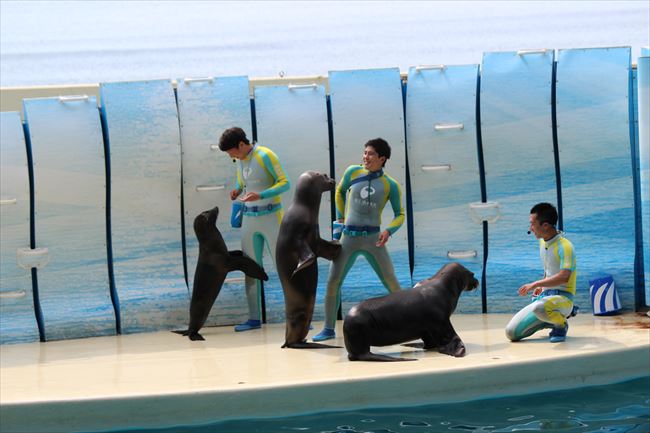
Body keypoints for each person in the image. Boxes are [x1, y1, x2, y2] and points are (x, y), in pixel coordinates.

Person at [313, 138, 405, 341]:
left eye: (370, 154)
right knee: (332, 282)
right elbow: (339, 191)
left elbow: (400, 214)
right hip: (348, 239)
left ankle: (408, 324)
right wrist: (340, 216)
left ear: (382, 158)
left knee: (392, 283)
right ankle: (328, 329)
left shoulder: (390, 185)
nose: (365, 157)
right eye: (365, 152)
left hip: (374, 241)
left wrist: (389, 231)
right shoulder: (352, 172)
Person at [218, 127, 290, 331]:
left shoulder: (266, 155)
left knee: (284, 268)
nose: (230, 156)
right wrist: (237, 190)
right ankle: (254, 318)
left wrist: (261, 195)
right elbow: (244, 182)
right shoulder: (240, 160)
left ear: (241, 144)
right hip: (249, 219)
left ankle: (297, 316)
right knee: (250, 269)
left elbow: (285, 183)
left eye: (231, 151)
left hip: (271, 217)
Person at [505, 202, 577, 343]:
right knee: (511, 333)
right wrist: (541, 286)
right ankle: (550, 320)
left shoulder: (565, 246)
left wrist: (535, 284)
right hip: (545, 299)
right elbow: (549, 268)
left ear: (545, 225)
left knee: (539, 307)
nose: (530, 228)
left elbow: (564, 277)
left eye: (533, 224)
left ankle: (561, 324)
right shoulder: (543, 242)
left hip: (563, 299)